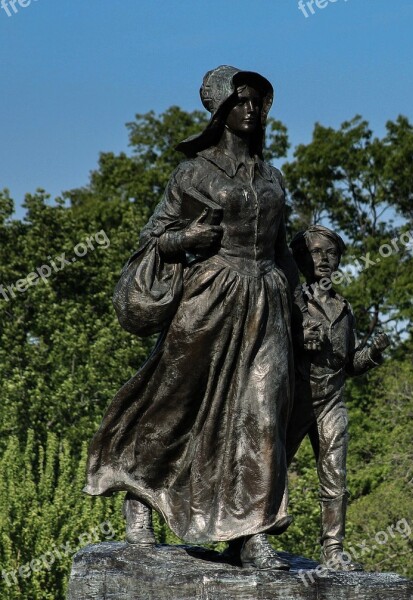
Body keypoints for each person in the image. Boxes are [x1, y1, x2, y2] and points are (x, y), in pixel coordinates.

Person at [83, 66, 299, 571]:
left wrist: (299, 301)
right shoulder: (193, 173)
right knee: (175, 403)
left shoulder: (273, 177)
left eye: (257, 102)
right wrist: (186, 241)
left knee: (264, 414)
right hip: (210, 297)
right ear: (222, 110)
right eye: (240, 101)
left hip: (266, 299)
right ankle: (138, 494)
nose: (251, 109)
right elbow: (155, 236)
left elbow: (284, 249)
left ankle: (251, 531)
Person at [287, 225, 390, 571]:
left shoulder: (344, 309)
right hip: (294, 398)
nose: (325, 259)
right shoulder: (290, 300)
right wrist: (298, 338)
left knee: (336, 476)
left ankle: (333, 551)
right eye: (316, 252)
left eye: (331, 253)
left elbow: (350, 365)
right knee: (271, 470)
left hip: (332, 400)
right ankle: (245, 540)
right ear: (302, 258)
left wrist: (373, 352)